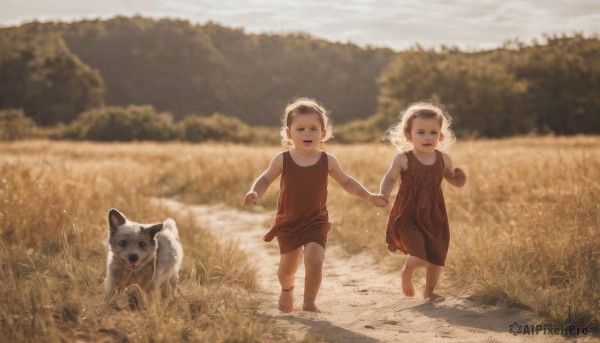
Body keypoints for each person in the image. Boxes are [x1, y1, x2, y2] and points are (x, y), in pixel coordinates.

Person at [244, 97, 388, 312]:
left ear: (323, 133)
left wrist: (369, 197)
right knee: (286, 270)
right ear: (288, 133)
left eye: (313, 128)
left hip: (316, 221)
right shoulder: (282, 159)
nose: (307, 133)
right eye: (300, 129)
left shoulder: (327, 160)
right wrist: (255, 191)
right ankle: (287, 289)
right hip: (289, 222)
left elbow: (347, 182)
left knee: (315, 260)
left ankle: (309, 302)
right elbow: (265, 179)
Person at [378, 101, 466, 300]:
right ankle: (407, 271)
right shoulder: (404, 158)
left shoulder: (443, 159)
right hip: (408, 214)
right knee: (419, 254)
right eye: (421, 132)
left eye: (433, 132)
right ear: (409, 135)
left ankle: (430, 291)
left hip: (434, 215)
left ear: (440, 135)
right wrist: (383, 193)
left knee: (436, 255)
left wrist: (459, 177)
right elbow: (391, 177)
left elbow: (452, 178)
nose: (428, 137)